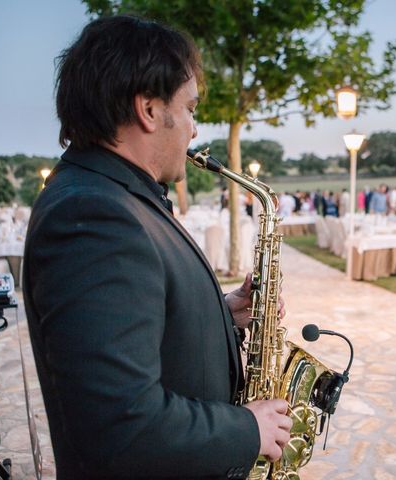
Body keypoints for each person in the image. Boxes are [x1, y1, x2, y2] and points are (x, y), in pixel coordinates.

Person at [22, 16, 291, 479]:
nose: (193, 130)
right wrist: (247, 429)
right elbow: (120, 426)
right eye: (189, 109)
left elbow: (133, 328)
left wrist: (221, 312)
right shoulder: (92, 216)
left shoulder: (115, 197)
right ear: (148, 109)